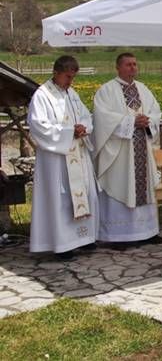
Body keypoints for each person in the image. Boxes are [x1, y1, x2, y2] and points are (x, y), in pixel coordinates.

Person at [27, 55, 99, 259]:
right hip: (57, 159)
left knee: (84, 193)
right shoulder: (43, 95)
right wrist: (69, 132)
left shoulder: (72, 93)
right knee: (61, 199)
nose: (70, 81)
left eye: (73, 77)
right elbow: (39, 126)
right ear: (56, 73)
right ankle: (63, 244)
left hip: (77, 151)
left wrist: (84, 127)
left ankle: (84, 238)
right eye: (68, 77)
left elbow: (86, 115)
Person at [93, 53, 162, 249]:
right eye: (128, 64)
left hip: (142, 146)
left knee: (144, 187)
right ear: (118, 67)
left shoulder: (143, 89)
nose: (133, 68)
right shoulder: (106, 91)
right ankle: (118, 236)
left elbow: (156, 111)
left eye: (135, 64)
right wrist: (131, 121)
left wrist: (148, 120)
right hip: (120, 152)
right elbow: (102, 118)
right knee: (120, 185)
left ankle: (147, 232)